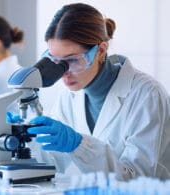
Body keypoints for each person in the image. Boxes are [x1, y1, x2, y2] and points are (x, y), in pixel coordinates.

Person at [22, 3, 170, 180]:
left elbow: (139, 179)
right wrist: (26, 136)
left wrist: (80, 146)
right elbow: (53, 163)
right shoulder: (68, 98)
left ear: (100, 50)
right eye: (56, 61)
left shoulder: (147, 94)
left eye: (73, 60)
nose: (63, 73)